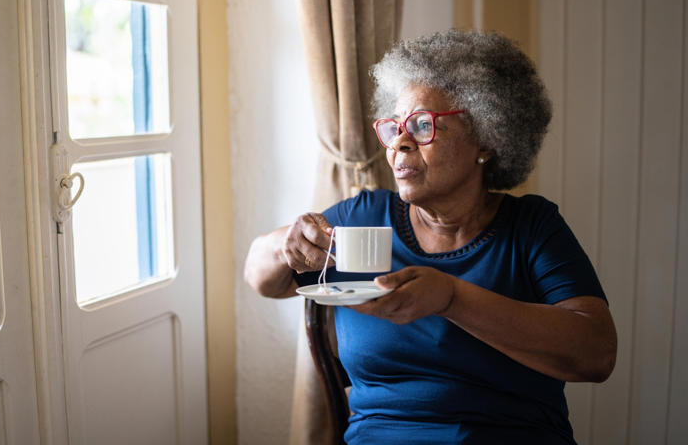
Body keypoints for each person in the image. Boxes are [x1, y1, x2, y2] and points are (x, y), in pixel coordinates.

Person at [244, 30, 616, 444]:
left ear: (487, 140)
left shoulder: (531, 228)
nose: (399, 144)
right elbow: (260, 278)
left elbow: (596, 354)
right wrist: (287, 244)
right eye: (394, 127)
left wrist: (451, 298)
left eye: (422, 125)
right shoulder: (364, 219)